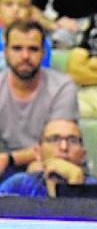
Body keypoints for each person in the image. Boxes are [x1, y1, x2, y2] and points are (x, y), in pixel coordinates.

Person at [0, 21, 79, 179]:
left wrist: (10, 159)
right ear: (5, 52)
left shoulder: (62, 87)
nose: (25, 56)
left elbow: (58, 147)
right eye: (17, 48)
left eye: (33, 49)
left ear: (44, 52)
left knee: (36, 170)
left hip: (51, 166)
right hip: (4, 167)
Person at [0, 119, 97, 197]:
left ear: (83, 155)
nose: (64, 147)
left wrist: (76, 182)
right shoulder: (20, 184)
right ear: (38, 152)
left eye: (72, 141)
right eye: (54, 139)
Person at [0, 0, 51, 70]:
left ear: (31, 12)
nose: (15, 9)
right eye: (9, 4)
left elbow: (41, 75)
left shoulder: (39, 43)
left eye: (22, 5)